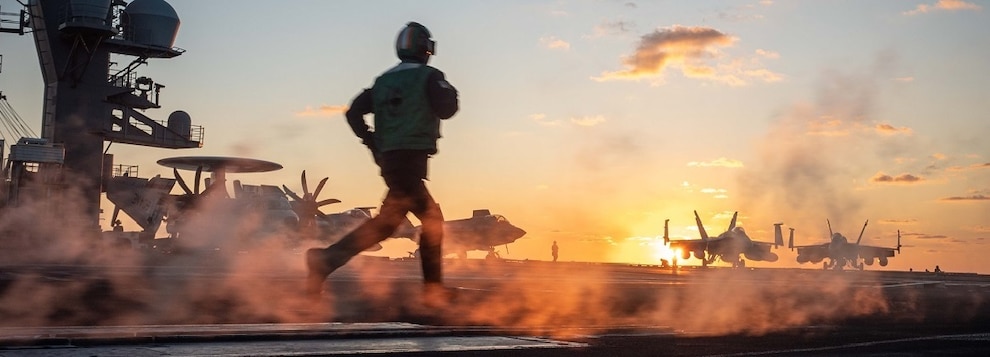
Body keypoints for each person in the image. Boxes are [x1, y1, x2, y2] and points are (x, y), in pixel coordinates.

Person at [306, 22, 459, 298]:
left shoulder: (383, 81)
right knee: (432, 220)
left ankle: (324, 261)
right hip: (410, 159)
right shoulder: (429, 76)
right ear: (426, 49)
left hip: (389, 160)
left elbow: (354, 112)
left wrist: (371, 140)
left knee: (386, 225)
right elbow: (448, 109)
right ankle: (433, 292)